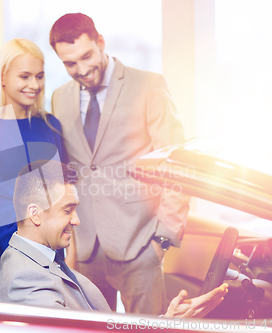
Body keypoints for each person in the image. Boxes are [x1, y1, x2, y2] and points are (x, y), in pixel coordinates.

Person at [49, 13, 190, 314]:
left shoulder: (148, 85)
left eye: (87, 56)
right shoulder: (59, 98)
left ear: (101, 42)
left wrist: (162, 239)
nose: (82, 69)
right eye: (70, 63)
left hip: (140, 245)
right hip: (85, 249)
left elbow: (177, 163)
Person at [0, 160, 228, 318]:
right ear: (35, 214)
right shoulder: (25, 278)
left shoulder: (42, 257)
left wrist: (167, 320)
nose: (76, 221)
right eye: (67, 210)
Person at [0, 39, 69, 258]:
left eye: (39, 76)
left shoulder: (51, 126)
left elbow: (65, 191)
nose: (35, 85)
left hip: (53, 250)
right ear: (3, 77)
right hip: (4, 249)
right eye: (24, 76)